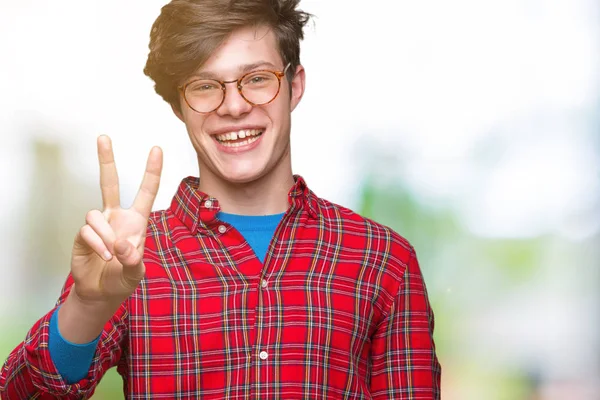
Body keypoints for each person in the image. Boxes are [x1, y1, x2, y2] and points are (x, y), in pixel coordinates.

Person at [0, 0, 441, 398]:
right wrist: (87, 307)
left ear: (295, 86)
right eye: (206, 86)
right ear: (179, 105)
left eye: (257, 79)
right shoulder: (127, 255)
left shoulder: (383, 260)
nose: (234, 106)